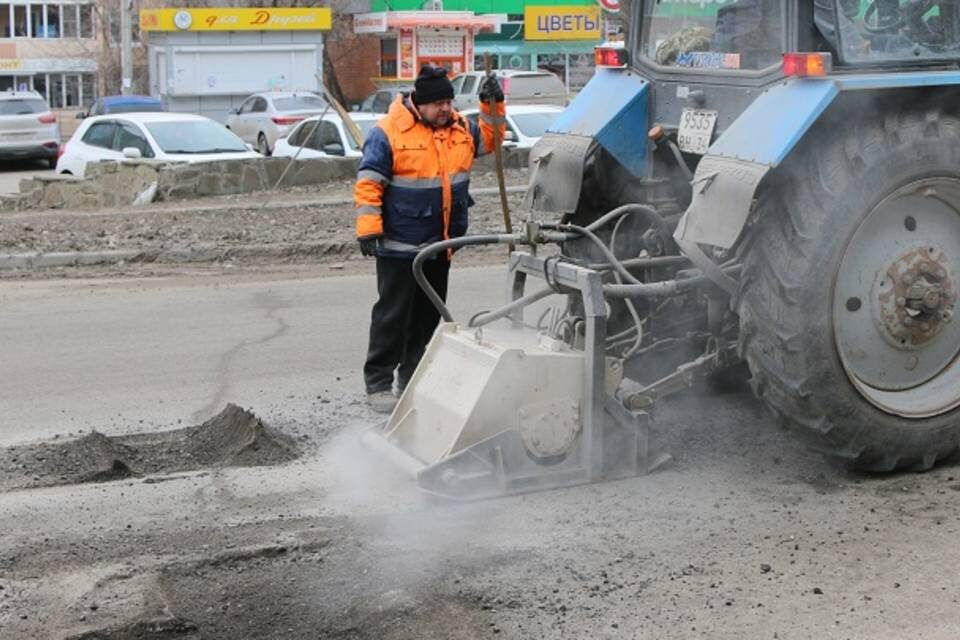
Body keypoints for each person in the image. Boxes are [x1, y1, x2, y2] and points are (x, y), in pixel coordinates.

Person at [355, 65, 506, 414]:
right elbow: (369, 183)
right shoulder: (388, 132)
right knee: (392, 316)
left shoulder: (460, 128)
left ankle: (412, 378)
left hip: (441, 245)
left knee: (427, 317)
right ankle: (378, 383)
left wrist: (492, 106)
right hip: (399, 246)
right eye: (437, 103)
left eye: (448, 102)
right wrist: (368, 228)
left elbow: (492, 138)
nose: (445, 109)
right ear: (418, 104)